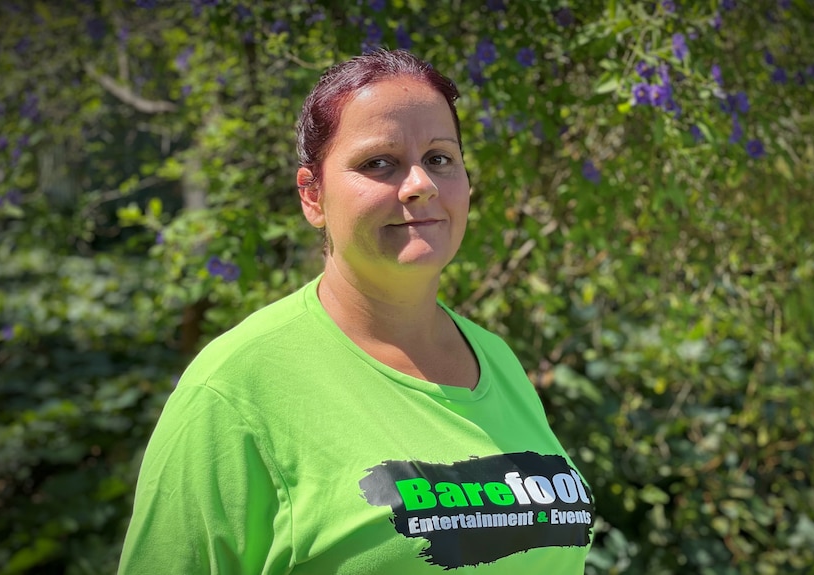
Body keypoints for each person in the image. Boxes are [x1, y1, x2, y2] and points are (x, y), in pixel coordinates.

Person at [118, 48, 593, 574]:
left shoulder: (497, 361)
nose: (420, 185)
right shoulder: (236, 387)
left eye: (439, 158)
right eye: (378, 163)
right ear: (313, 196)